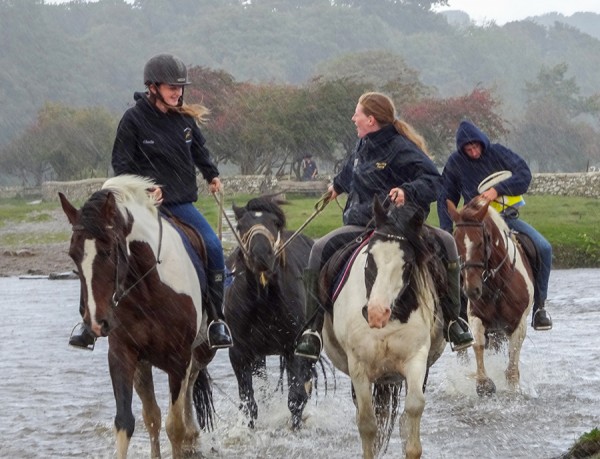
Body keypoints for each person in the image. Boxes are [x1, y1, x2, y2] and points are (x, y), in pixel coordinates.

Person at [68, 53, 233, 350]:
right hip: (142, 208)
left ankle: (217, 320)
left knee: (213, 246)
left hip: (181, 204)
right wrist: (144, 191)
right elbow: (121, 165)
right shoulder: (133, 120)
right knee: (99, 249)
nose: (178, 92)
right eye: (172, 87)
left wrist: (212, 175)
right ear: (153, 86)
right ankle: (87, 323)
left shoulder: (185, 119)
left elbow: (199, 151)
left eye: (180, 87)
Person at [294, 92, 474, 361]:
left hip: (398, 225)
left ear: (371, 119)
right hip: (359, 225)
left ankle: (454, 321)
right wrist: (337, 187)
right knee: (318, 249)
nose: (353, 118)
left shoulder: (401, 148)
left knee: (447, 243)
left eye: (357, 114)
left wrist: (407, 191)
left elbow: (433, 181)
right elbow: (350, 173)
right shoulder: (361, 145)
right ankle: (312, 331)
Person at [437, 120, 553, 331]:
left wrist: (497, 190)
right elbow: (445, 194)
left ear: (482, 142)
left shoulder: (498, 153)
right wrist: (447, 228)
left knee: (544, 248)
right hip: (474, 224)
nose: (473, 152)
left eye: (476, 146)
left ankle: (540, 307)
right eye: (468, 149)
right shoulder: (455, 163)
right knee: (451, 259)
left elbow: (523, 175)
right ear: (462, 149)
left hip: (506, 219)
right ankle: (458, 318)